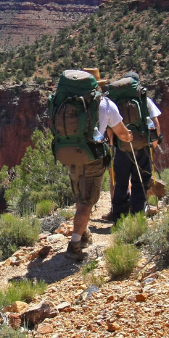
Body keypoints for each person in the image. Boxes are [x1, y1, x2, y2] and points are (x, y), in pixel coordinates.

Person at [66, 90, 134, 258]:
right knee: (87, 201)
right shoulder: (105, 104)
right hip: (92, 157)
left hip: (70, 156)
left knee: (79, 195)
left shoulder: (68, 103)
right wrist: (129, 136)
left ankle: (83, 234)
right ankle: (74, 245)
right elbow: (122, 133)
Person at [108, 72, 161, 222]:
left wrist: (112, 144)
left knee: (121, 181)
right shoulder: (145, 100)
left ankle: (119, 216)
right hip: (142, 145)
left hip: (122, 147)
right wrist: (154, 143)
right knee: (141, 180)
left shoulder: (115, 102)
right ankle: (137, 214)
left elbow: (111, 127)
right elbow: (155, 123)